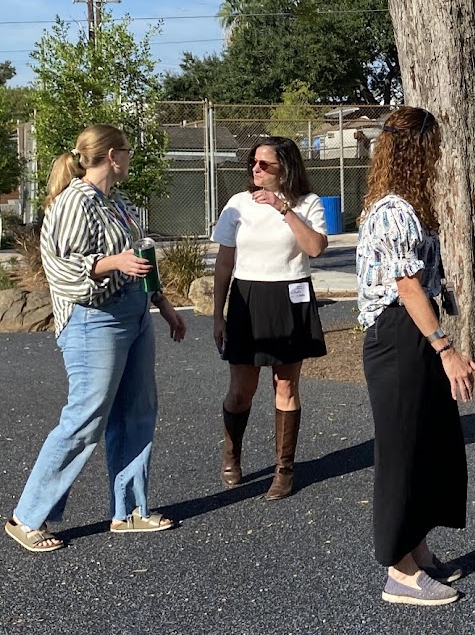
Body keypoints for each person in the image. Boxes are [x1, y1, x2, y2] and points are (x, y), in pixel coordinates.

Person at [5, 125, 186, 552]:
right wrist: (112, 263)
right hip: (94, 320)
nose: (130, 158)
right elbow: (63, 269)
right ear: (109, 155)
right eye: (126, 150)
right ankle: (28, 516)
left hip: (134, 314)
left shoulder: (118, 201)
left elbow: (139, 256)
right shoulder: (74, 202)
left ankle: (129, 512)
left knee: (138, 410)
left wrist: (163, 304)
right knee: (85, 419)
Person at [356, 106, 475, 607]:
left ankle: (419, 551)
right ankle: (399, 573)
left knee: (429, 444)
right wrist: (445, 348)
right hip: (398, 337)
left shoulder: (407, 207)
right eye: (433, 146)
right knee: (402, 451)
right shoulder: (393, 210)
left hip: (414, 336)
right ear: (416, 149)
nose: (438, 156)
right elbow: (407, 287)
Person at [211, 136, 329, 500]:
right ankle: (232, 454)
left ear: (285, 169)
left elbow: (314, 248)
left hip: (290, 298)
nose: (256, 170)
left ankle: (284, 470)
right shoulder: (237, 204)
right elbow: (224, 264)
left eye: (265, 165)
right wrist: (218, 315)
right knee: (241, 390)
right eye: (254, 163)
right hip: (248, 298)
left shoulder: (307, 203)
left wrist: (283, 208)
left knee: (286, 386)